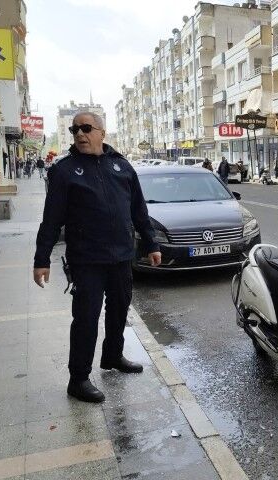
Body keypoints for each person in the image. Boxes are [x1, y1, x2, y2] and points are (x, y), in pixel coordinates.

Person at [33, 112, 161, 403]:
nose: (80, 134)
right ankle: (78, 379)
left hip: (121, 257)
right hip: (86, 260)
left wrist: (152, 244)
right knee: (86, 319)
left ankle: (113, 356)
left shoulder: (122, 166)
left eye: (86, 128)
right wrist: (42, 259)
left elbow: (139, 211)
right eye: (74, 129)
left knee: (119, 310)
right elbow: (51, 220)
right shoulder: (64, 171)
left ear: (102, 132)